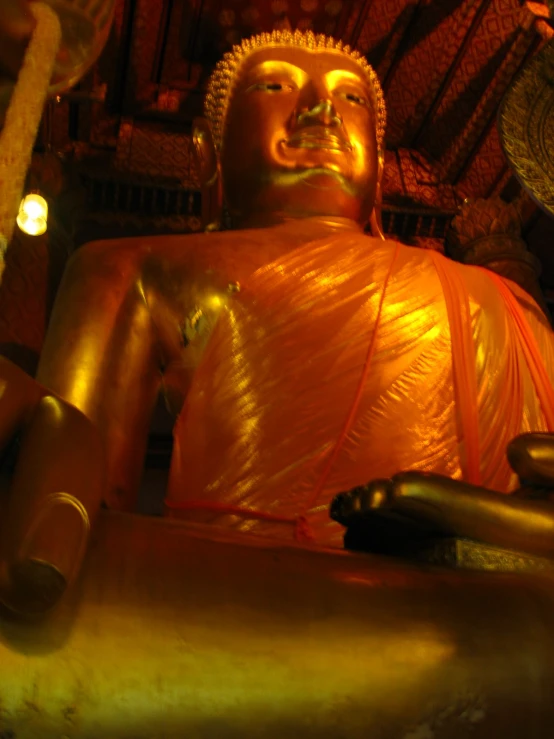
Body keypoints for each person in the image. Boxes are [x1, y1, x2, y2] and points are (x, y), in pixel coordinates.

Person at [2, 29, 554, 613]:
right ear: (207, 152)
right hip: (240, 609)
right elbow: (82, 509)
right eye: (276, 86)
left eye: (351, 100)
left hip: (486, 613)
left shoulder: (495, 298)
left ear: (380, 162)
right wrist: (42, 465)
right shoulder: (131, 267)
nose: (320, 110)